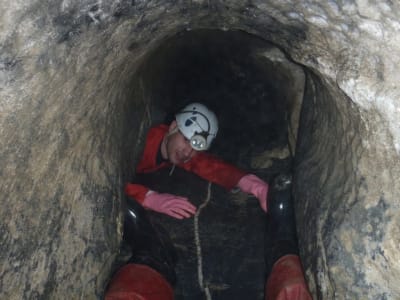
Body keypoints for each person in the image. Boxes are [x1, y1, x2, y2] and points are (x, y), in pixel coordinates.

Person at [124, 102, 269, 219]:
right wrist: (148, 198)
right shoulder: (142, 141)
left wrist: (252, 184)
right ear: (173, 127)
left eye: (196, 148)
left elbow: (207, 165)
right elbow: (107, 179)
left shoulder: (174, 147)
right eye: (186, 140)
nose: (188, 152)